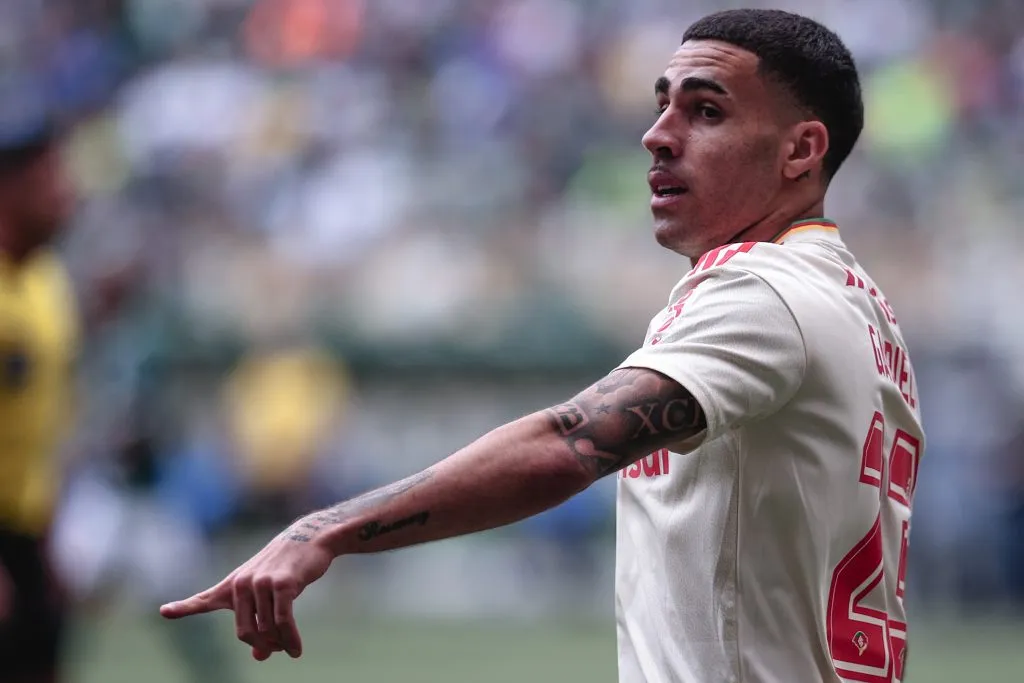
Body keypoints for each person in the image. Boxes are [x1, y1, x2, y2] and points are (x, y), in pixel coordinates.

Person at [161, 9, 926, 683]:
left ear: (801, 151)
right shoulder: (862, 308)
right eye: (663, 106)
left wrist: (320, 530)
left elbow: (568, 442)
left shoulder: (763, 292)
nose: (657, 135)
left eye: (707, 111)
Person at [0, 114, 78, 683]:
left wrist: (46, 544)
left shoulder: (49, 280)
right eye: (51, 176)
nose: (67, 192)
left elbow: (40, 425)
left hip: (24, 530)